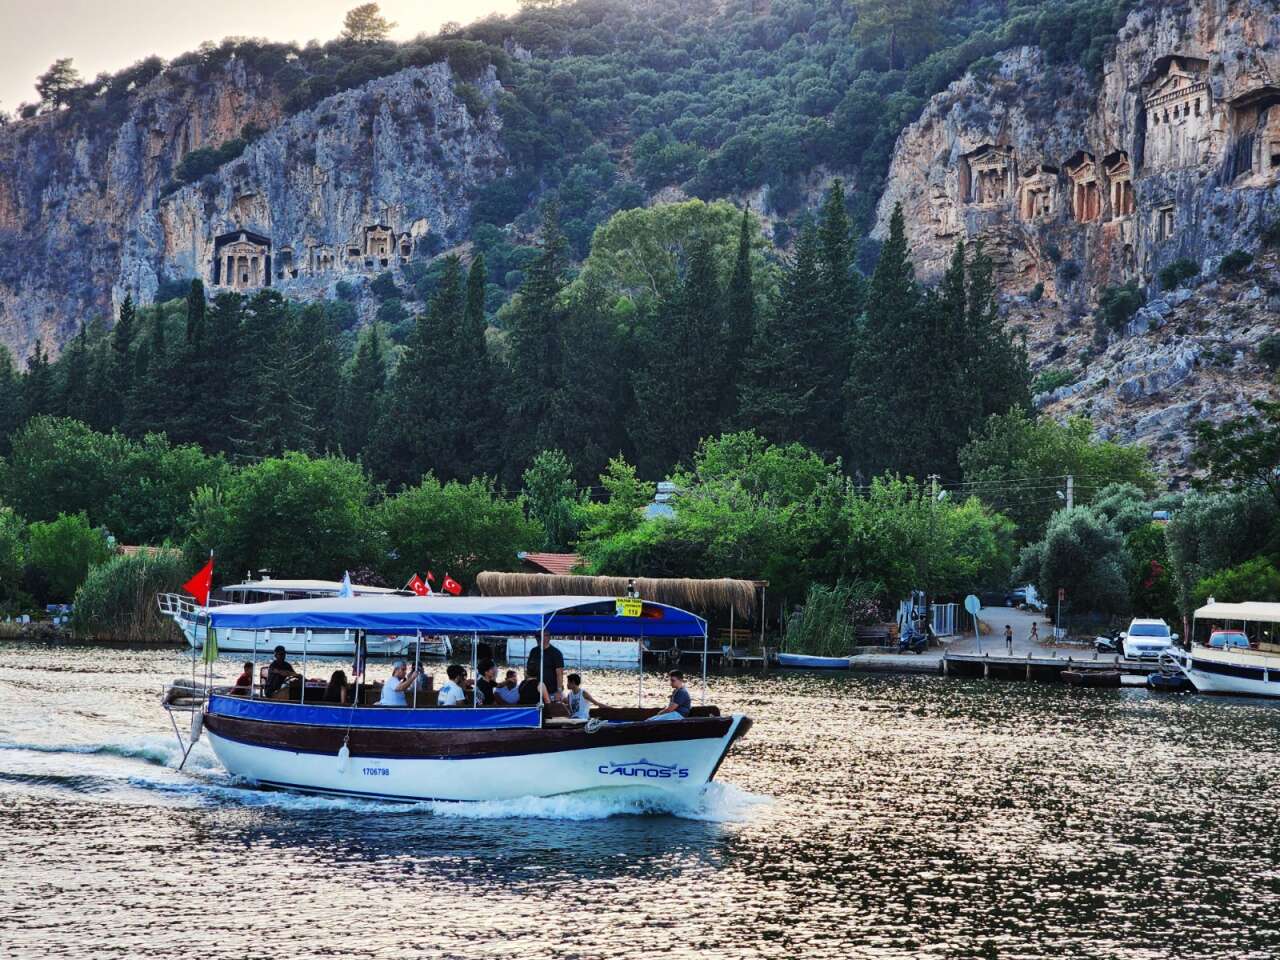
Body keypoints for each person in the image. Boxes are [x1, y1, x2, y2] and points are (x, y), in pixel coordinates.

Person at [527, 633, 565, 701]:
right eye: (537, 636)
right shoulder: (533, 651)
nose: (538, 638)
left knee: (551, 710)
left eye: (541, 636)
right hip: (535, 691)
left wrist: (559, 691)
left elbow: (560, 674)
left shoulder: (556, 653)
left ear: (548, 637)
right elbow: (529, 670)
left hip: (552, 692)